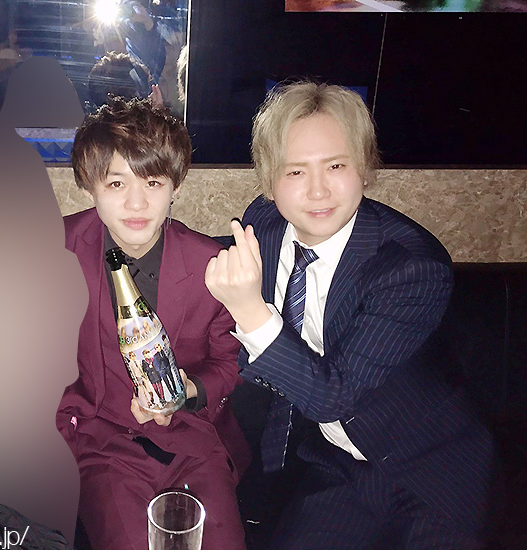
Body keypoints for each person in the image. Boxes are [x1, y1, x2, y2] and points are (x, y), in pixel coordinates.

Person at [205, 81, 494, 548]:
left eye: (336, 165)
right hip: (337, 463)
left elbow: (331, 397)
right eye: (295, 171)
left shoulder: (410, 267)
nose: (318, 190)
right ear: (269, 182)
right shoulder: (263, 225)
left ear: (363, 167)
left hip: (432, 468)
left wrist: (249, 310)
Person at [57, 96, 250, 550]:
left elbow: (230, 363)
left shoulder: (210, 265)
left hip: (192, 439)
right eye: (116, 182)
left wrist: (185, 393)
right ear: (88, 186)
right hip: (99, 441)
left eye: (153, 181)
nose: (136, 202)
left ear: (175, 186)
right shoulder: (54, 250)